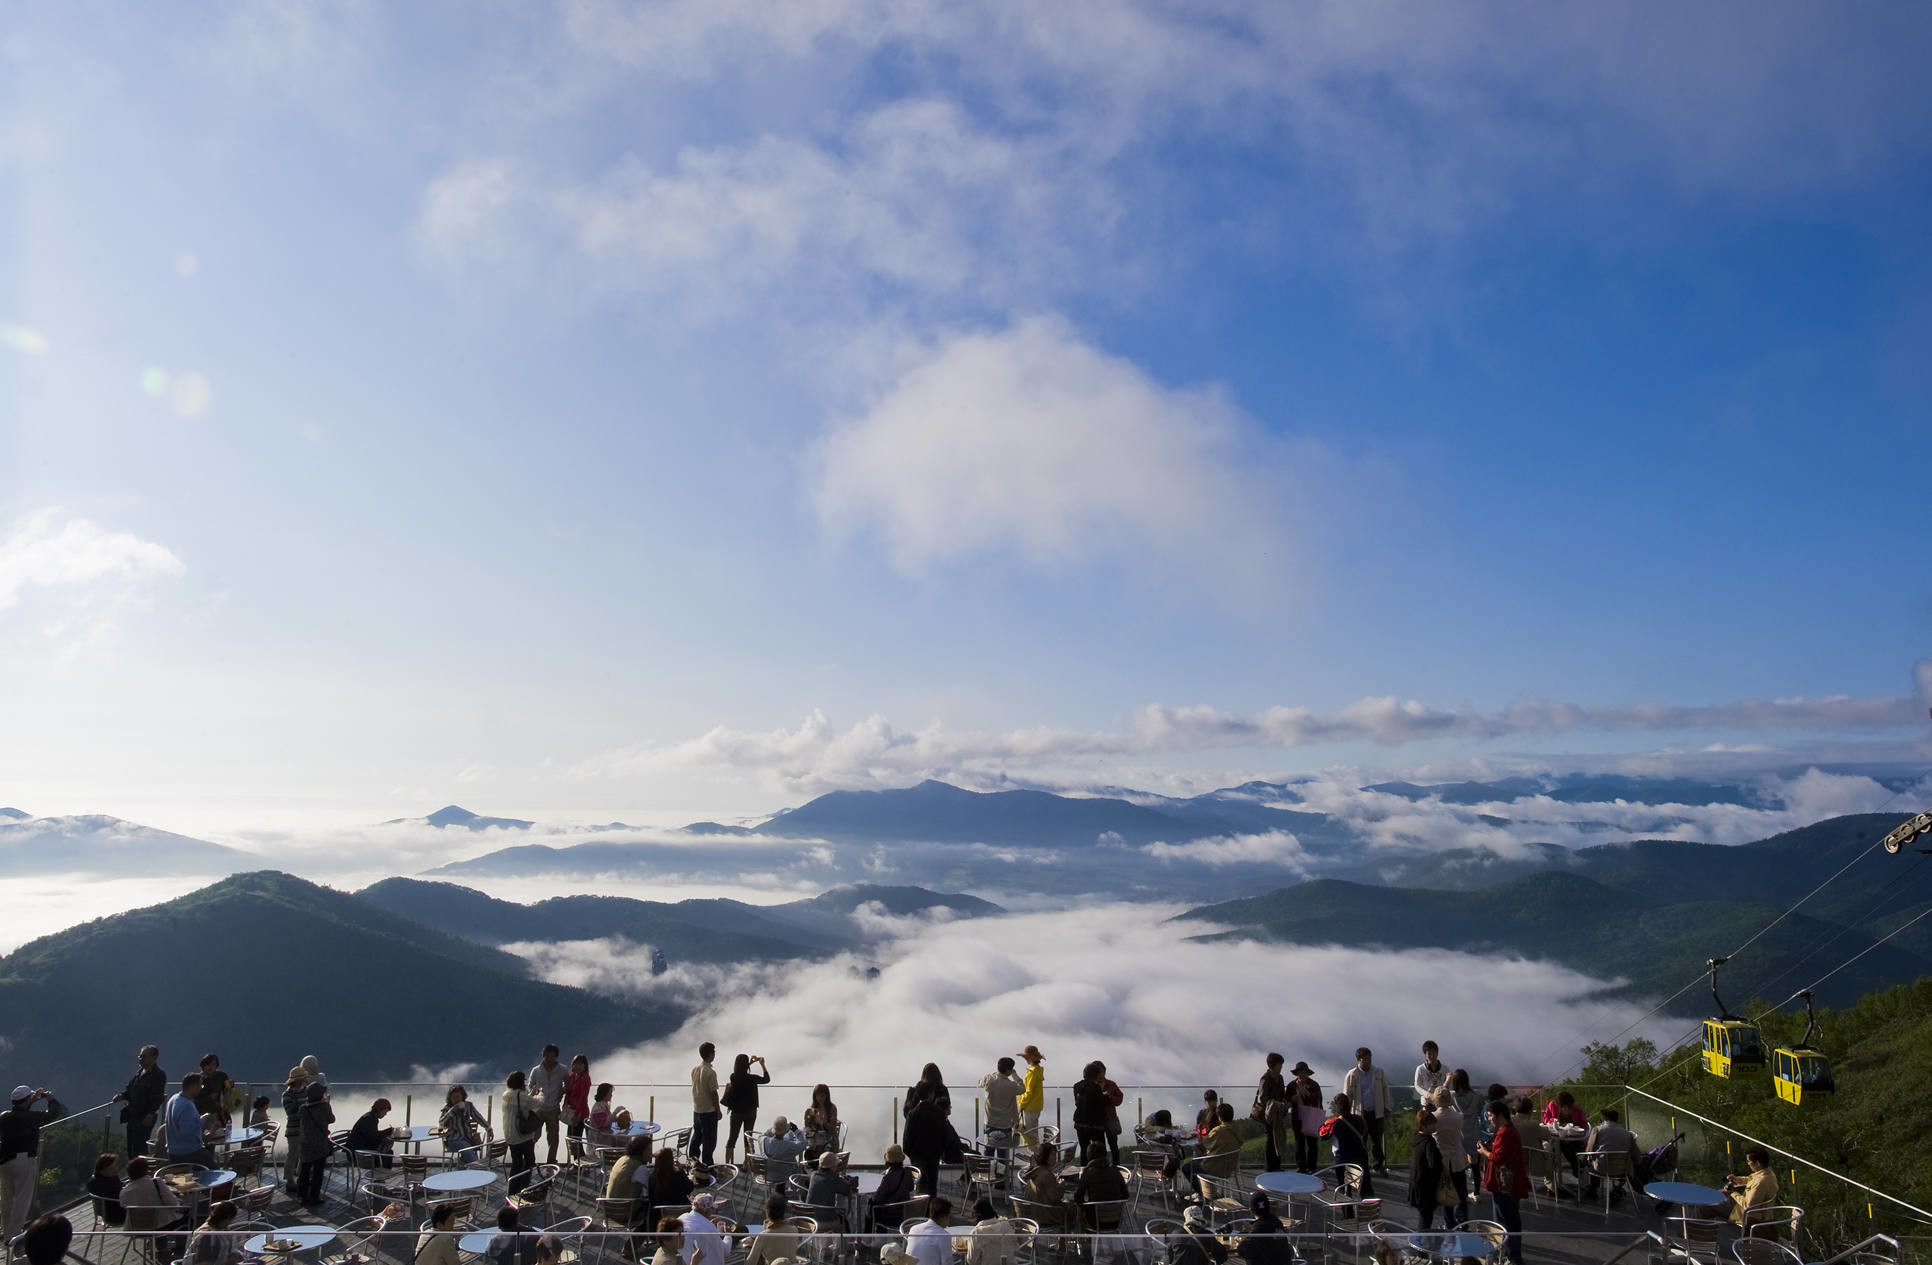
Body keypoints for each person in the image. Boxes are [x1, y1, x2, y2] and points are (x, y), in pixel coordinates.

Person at [2, 1086, 63, 1238]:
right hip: (24, 1160)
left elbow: (22, 1112)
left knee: (7, 1199)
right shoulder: (30, 1117)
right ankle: (14, 1235)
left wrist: (30, 1100)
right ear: (27, 1099)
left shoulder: (4, 1116)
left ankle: (6, 1231)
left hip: (4, 1161)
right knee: (22, 1200)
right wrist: (51, 1100)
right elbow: (53, 1114)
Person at [1478, 1101, 1526, 1265]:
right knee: (1508, 1220)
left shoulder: (1506, 1133)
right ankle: (1510, 1256)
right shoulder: (1508, 1131)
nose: (1490, 1119)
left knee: (1505, 1221)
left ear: (1500, 1116)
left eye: (1491, 1116)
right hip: (1506, 1185)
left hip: (1505, 1185)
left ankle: (1512, 1257)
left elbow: (1498, 1158)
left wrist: (1484, 1152)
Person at [120, 1156, 188, 1261]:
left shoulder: (124, 1192)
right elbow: (173, 1204)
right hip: (160, 1226)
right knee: (185, 1216)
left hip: (138, 1228)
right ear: (146, 1170)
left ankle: (161, 1250)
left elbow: (124, 1206)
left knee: (159, 1221)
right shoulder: (156, 1183)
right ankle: (180, 1250)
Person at [902, 1083, 962, 1198]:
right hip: (934, 1155)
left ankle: (921, 1210)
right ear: (930, 1094)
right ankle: (932, 1211)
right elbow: (944, 1136)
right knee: (932, 1186)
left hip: (917, 1156)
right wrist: (940, 1151)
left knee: (920, 1186)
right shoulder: (939, 1113)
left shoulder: (913, 1114)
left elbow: (907, 1140)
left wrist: (912, 1155)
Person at [1341, 1049, 1390, 1175]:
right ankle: (1361, 1167)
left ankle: (1379, 1166)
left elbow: (1385, 1090)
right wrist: (1345, 1114)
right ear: (1358, 1060)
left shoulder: (1379, 1072)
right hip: (1359, 1114)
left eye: (1369, 1058)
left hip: (1376, 1112)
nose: (1367, 1061)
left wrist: (1387, 1107)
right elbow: (1347, 1095)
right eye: (1364, 1059)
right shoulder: (1352, 1074)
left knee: (1377, 1141)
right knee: (1360, 1142)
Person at [114, 1046, 166, 1162]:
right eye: (140, 1056)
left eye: (144, 1056)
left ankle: (140, 1173)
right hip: (133, 1115)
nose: (140, 1059)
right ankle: (133, 1170)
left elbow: (158, 1097)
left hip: (144, 1116)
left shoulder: (158, 1075)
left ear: (154, 1057)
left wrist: (151, 1113)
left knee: (140, 1147)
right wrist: (121, 1096)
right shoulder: (139, 1073)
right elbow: (130, 1089)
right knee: (131, 1146)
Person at [1582, 1107, 1641, 1202]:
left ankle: (1593, 1189)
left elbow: (1589, 1151)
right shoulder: (1628, 1134)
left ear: (1603, 1119)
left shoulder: (1597, 1130)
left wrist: (1585, 1159)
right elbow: (1636, 1156)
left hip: (1602, 1168)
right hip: (1622, 1170)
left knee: (1592, 1161)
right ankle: (1616, 1189)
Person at [1318, 1094, 1373, 1197]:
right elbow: (1365, 1135)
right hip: (1359, 1160)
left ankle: (1348, 1211)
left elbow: (1322, 1135)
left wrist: (1327, 1122)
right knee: (1365, 1190)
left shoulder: (1334, 1123)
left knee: (1345, 1192)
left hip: (1342, 1162)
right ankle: (1367, 1211)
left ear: (1336, 1107)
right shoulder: (1360, 1120)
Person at [722, 1053, 770, 1164]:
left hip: (736, 1112)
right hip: (750, 1112)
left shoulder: (733, 1077)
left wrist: (750, 1063)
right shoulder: (752, 1078)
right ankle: (746, 1163)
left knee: (732, 1138)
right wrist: (762, 1065)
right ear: (746, 1066)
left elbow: (741, 1071)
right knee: (748, 1138)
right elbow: (766, 1079)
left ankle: (727, 1163)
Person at [1430, 1088, 1468, 1226]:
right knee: (1461, 1192)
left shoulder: (1433, 1118)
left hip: (1442, 1160)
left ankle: (1450, 1223)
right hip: (1458, 1158)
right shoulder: (1459, 1117)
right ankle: (1463, 1222)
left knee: (1446, 1193)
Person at [294, 1080, 334, 1207]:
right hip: (320, 1143)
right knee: (318, 1171)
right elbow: (331, 1119)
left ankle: (302, 1196)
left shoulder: (303, 1109)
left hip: (306, 1143)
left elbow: (300, 1120)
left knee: (304, 1171)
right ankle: (315, 1196)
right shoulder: (325, 1107)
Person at [529, 1045, 569, 1167]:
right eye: (547, 1055)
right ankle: (530, 1160)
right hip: (538, 1108)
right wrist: (534, 1091)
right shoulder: (536, 1070)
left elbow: (567, 1084)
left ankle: (550, 1162)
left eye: (551, 1056)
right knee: (534, 1136)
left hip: (553, 1108)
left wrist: (562, 1092)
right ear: (543, 1055)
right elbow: (530, 1085)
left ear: (556, 1056)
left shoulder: (562, 1069)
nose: (549, 1058)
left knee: (553, 1138)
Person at [1073, 1140, 1128, 1230]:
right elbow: (1126, 1195)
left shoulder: (1087, 1173)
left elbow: (1078, 1198)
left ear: (1089, 1156)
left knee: (1077, 1210)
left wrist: (1086, 1207)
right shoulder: (1115, 1171)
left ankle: (1082, 1238)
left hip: (1095, 1221)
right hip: (1116, 1220)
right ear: (1105, 1154)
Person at [1018, 1141, 1072, 1230]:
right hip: (1045, 1217)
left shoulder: (1033, 1173)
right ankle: (1067, 1240)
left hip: (1033, 1214)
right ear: (1045, 1157)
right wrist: (1061, 1186)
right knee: (1074, 1209)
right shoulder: (1047, 1175)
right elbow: (1055, 1198)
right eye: (1053, 1155)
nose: (1055, 1158)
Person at [503, 1071, 542, 1195]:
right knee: (530, 1160)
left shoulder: (506, 1094)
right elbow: (537, 1104)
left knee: (516, 1163)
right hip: (522, 1135)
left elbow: (522, 1103)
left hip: (510, 1135)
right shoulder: (521, 1095)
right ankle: (524, 1188)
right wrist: (538, 1093)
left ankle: (512, 1190)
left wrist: (530, 1095)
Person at [1724, 1148, 1781, 1231]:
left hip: (1745, 1217)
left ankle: (1705, 1236)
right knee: (1720, 1195)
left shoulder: (1761, 1182)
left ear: (1757, 1163)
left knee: (1705, 1207)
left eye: (1748, 1161)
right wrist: (1737, 1179)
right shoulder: (1768, 1174)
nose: (1748, 1164)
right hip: (1746, 1210)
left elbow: (1748, 1205)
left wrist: (1732, 1193)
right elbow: (1750, 1180)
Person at [1408, 1109, 1446, 1230]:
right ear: (1424, 1125)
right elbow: (1434, 1164)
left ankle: (1421, 1243)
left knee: (1424, 1217)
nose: (1435, 1125)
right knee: (1425, 1221)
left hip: (1417, 1185)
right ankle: (1422, 1245)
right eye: (1432, 1124)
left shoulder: (1417, 1139)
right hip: (1426, 1188)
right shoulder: (1429, 1142)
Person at [163, 1075, 212, 1169]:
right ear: (193, 1086)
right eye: (200, 1086)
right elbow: (188, 1131)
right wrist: (204, 1119)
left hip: (173, 1153)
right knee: (216, 1174)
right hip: (189, 1153)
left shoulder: (173, 1099)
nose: (200, 1089)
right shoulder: (186, 1105)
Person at [1255, 1054, 1290, 1173]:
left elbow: (1282, 1094)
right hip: (1268, 1115)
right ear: (1274, 1065)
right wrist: (1274, 1104)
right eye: (1280, 1064)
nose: (1281, 1067)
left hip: (1278, 1113)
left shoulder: (1279, 1078)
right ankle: (1270, 1166)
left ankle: (1276, 1165)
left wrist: (1284, 1102)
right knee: (1271, 1139)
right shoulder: (1265, 1078)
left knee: (1278, 1137)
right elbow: (1262, 1098)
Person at [1235, 1192, 1292, 1265]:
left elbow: (1246, 1251)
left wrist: (1240, 1244)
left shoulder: (1259, 1227)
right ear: (1268, 1208)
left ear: (1251, 1210)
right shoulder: (1277, 1222)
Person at [870, 1144, 918, 1230]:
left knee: (872, 1206)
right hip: (905, 1212)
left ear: (888, 1161)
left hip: (891, 1215)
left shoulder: (889, 1177)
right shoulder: (907, 1172)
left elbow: (877, 1198)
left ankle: (871, 1238)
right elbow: (911, 1188)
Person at [977, 1060, 1023, 1150]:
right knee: (1003, 1155)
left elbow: (980, 1083)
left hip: (989, 1123)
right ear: (1008, 1071)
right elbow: (1023, 1089)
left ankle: (988, 1164)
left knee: (988, 1152)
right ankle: (1002, 1164)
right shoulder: (1011, 1086)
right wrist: (1015, 1076)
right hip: (1005, 1125)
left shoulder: (989, 1080)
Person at [805, 1148, 858, 1226]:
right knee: (845, 1221)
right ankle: (846, 1238)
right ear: (832, 1166)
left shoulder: (814, 1175)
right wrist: (852, 1182)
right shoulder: (833, 1178)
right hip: (825, 1220)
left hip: (810, 1218)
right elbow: (846, 1190)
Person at [1288, 1061, 1323, 1173]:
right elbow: (1287, 1099)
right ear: (1297, 1074)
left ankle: (1312, 1167)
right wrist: (1294, 1098)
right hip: (1297, 1118)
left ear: (1307, 1073)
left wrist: (1308, 1094)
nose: (1302, 1075)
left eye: (1304, 1073)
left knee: (1312, 1143)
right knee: (1299, 1143)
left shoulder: (1314, 1085)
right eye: (1300, 1073)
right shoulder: (1291, 1085)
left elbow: (1318, 1099)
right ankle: (1301, 1166)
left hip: (1311, 1117)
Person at [745, 1194, 799, 1265]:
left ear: (767, 1213)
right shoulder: (794, 1230)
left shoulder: (763, 1236)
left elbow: (750, 1262)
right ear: (783, 1212)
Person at [690, 1043, 721, 1167]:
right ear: (710, 1054)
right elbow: (714, 1094)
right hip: (708, 1111)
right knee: (709, 1142)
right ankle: (708, 1167)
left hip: (697, 1109)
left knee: (697, 1138)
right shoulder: (711, 1072)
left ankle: (693, 1163)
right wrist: (718, 1110)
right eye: (713, 1052)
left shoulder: (695, 1069)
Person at [1072, 1062, 1109, 1164]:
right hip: (1095, 1124)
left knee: (1084, 1149)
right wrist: (1104, 1095)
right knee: (1100, 1150)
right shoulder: (1095, 1088)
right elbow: (1099, 1104)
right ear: (1096, 1075)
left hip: (1080, 1122)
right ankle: (1101, 1172)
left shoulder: (1076, 1086)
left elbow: (1078, 1102)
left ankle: (1084, 1172)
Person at [646, 1145, 695, 1222]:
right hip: (681, 1213)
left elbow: (651, 1197)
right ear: (671, 1160)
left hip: (659, 1215)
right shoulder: (678, 1175)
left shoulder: (652, 1177)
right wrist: (681, 1170)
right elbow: (689, 1188)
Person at [280, 1066, 310, 1188]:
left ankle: (300, 1177)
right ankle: (289, 1179)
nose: (303, 1081)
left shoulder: (306, 1091)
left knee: (304, 1154)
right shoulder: (287, 1095)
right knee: (292, 1154)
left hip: (305, 1128)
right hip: (293, 1129)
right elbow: (290, 1111)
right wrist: (304, 1106)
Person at [441, 1085, 490, 1160]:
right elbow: (441, 1122)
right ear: (450, 1098)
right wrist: (451, 1111)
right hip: (453, 1140)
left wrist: (489, 1128)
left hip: (468, 1138)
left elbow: (478, 1118)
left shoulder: (468, 1106)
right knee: (465, 1147)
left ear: (462, 1097)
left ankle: (461, 1164)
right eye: (453, 1097)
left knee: (466, 1148)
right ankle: (476, 1166)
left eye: (458, 1097)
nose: (456, 1099)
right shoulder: (447, 1108)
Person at [348, 1098, 398, 1168]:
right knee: (388, 1153)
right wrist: (387, 1132)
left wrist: (386, 1133)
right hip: (357, 1152)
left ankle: (382, 1173)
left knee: (387, 1151)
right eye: (385, 1111)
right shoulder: (369, 1119)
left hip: (357, 1148)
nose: (385, 1114)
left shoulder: (370, 1117)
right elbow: (373, 1138)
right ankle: (381, 1174)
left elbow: (372, 1135)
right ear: (379, 1109)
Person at [905, 1194, 955, 1265]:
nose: (950, 1220)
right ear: (943, 1217)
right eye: (950, 1217)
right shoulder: (944, 1235)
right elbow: (947, 1263)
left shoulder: (914, 1228)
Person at [1450, 1071, 1483, 1176]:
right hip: (1473, 1131)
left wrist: (1447, 1080)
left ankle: (1460, 1180)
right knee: (1474, 1157)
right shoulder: (1476, 1095)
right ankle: (1475, 1181)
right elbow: (1479, 1111)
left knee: (1458, 1160)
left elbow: (1440, 1094)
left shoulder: (1452, 1096)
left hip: (1458, 1133)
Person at [185, 1199, 238, 1265]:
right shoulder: (206, 1234)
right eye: (231, 1219)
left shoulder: (225, 1230)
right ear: (227, 1218)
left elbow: (230, 1255)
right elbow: (203, 1262)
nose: (232, 1222)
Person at [965, 1195, 1016, 1265]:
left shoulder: (976, 1233)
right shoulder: (1006, 1225)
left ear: (977, 1216)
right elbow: (1015, 1247)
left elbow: (972, 1261)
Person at [678, 1192, 725, 1265]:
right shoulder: (709, 1228)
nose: (713, 1211)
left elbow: (697, 1227)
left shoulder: (682, 1217)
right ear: (706, 1210)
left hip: (681, 1260)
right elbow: (725, 1250)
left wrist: (709, 1224)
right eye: (711, 1208)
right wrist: (729, 1235)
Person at [607, 1135, 651, 1208]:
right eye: (649, 1150)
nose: (651, 1153)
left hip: (610, 1207)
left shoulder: (623, 1159)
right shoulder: (639, 1168)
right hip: (626, 1211)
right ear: (642, 1151)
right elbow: (651, 1187)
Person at [416, 1200, 463, 1265]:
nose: (453, 1224)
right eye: (451, 1221)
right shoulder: (446, 1239)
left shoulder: (425, 1233)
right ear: (439, 1225)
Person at [562, 1054, 593, 1151]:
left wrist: (577, 1114)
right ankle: (576, 1162)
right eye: (576, 1064)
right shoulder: (572, 1077)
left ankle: (578, 1162)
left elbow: (583, 1098)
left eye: (580, 1064)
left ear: (585, 1066)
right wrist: (565, 1104)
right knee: (571, 1138)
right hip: (571, 1111)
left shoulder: (585, 1078)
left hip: (580, 1113)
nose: (577, 1066)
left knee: (576, 1139)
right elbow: (569, 1092)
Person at [802, 1085, 841, 1161]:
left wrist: (822, 1122)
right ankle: (813, 1170)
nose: (820, 1098)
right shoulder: (813, 1109)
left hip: (830, 1140)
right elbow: (808, 1128)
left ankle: (821, 1169)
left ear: (827, 1096)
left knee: (822, 1151)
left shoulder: (831, 1108)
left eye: (822, 1095)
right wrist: (807, 1119)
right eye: (817, 1095)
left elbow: (832, 1130)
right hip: (815, 1140)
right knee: (808, 1153)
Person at [88, 1153, 125, 1227]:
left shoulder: (110, 1177)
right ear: (102, 1168)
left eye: (116, 1166)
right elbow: (116, 1197)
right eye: (112, 1168)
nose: (115, 1169)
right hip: (115, 1215)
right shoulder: (100, 1184)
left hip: (115, 1209)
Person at [1016, 1047, 1045, 1142]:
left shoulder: (1032, 1072)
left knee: (1029, 1135)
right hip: (1035, 1106)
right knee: (1031, 1133)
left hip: (1029, 1106)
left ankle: (1032, 1155)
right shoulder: (1037, 1071)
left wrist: (1021, 1104)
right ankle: (1033, 1154)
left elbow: (1028, 1091)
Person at [194, 1056, 232, 1127]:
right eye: (208, 1064)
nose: (210, 1067)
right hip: (201, 1112)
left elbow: (227, 1089)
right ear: (203, 1066)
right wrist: (209, 1098)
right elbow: (194, 1099)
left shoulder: (221, 1076)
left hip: (217, 1112)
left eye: (213, 1064)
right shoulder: (198, 1079)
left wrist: (229, 1087)